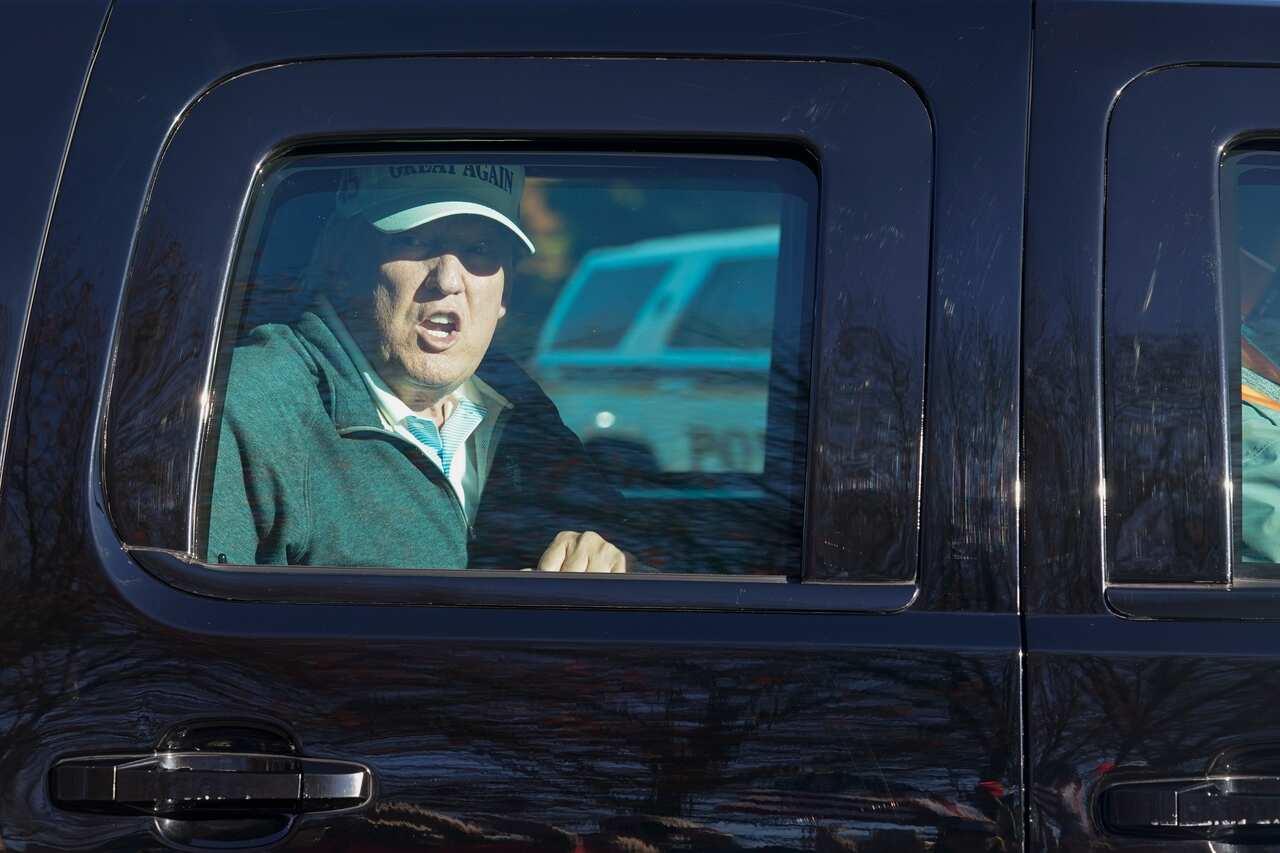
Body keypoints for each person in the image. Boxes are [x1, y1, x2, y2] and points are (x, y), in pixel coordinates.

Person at [206, 160, 633, 572]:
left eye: (480, 250)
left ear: (506, 292)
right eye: (414, 241)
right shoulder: (255, 407)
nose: (448, 280)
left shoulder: (515, 406)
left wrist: (605, 557)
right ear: (341, 261)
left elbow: (651, 561)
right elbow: (194, 622)